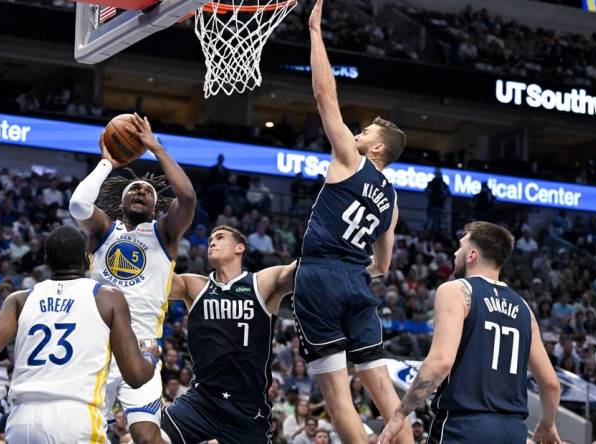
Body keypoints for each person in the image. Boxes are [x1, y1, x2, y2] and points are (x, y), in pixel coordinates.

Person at [0, 226, 159, 443]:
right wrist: (149, 355)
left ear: (46, 261)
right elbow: (136, 376)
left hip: (22, 420)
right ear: (87, 260)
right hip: (75, 417)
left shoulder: (19, 300)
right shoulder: (107, 297)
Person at [299, 1, 411, 442]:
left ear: (377, 150)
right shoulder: (394, 199)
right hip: (356, 284)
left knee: (339, 398)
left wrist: (314, 33)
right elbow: (383, 264)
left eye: (365, 133)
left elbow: (325, 96)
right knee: (384, 392)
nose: (358, 135)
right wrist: (356, 272)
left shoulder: (350, 159)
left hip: (322, 275)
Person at [69, 113, 195, 444]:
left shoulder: (164, 233)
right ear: (122, 202)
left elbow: (188, 198)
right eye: (134, 188)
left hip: (143, 349)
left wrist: (156, 148)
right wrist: (107, 163)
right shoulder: (102, 231)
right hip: (96, 347)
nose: (141, 191)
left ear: (154, 207)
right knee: (79, 434)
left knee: (147, 436)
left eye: (147, 191)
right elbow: (79, 203)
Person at [378, 222, 562, 444]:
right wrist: (547, 423)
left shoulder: (456, 290)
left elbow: (441, 362)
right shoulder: (524, 308)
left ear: (472, 254)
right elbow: (551, 383)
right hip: (513, 432)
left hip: (464, 427)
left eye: (460, 246)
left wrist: (400, 413)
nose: (455, 253)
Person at [161, 225, 297, 443]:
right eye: (210, 240)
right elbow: (149, 279)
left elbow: (307, 268)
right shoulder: (195, 286)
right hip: (201, 402)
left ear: (240, 248)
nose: (211, 242)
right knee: (145, 437)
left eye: (220, 237)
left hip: (247, 410)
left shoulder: (260, 283)